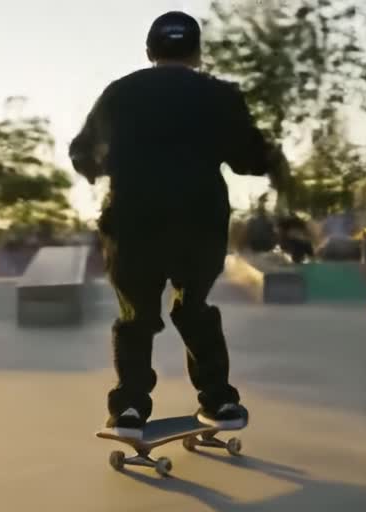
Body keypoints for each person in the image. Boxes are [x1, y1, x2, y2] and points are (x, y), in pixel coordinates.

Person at [70, 10, 289, 440]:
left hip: (134, 222)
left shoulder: (119, 93)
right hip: (200, 221)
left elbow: (83, 153)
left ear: (150, 52)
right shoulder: (220, 95)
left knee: (136, 317)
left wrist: (103, 168)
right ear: (197, 53)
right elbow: (250, 159)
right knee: (194, 308)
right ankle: (220, 399)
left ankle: (130, 409)